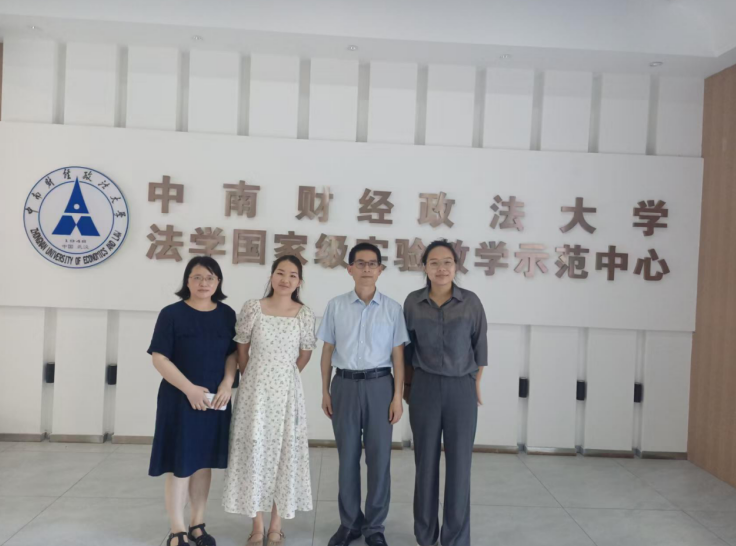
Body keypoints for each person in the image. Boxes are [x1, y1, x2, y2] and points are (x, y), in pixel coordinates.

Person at [318, 242, 410, 546]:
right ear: (350, 269)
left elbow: (398, 357)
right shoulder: (336, 306)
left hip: (380, 386)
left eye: (372, 264)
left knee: (379, 459)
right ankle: (349, 524)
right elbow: (327, 352)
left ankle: (374, 527)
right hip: (343, 385)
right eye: (360, 263)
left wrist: (397, 396)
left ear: (380, 270)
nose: (366, 269)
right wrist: (325, 391)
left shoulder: (393, 309)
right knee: (347, 458)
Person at [223, 255, 317, 546]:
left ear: (299, 281)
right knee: (255, 453)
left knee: (284, 455)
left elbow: (304, 354)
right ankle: (257, 525)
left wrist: (283, 377)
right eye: (280, 273)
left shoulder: (304, 313)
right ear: (271, 276)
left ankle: (276, 525)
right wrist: (254, 377)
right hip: (255, 393)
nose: (285, 279)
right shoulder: (254, 307)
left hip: (287, 393)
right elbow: (242, 350)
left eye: (292, 275)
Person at [148, 256, 238, 546]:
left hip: (214, 401)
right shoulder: (171, 314)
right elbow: (159, 358)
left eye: (210, 278)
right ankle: (177, 531)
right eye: (197, 277)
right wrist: (189, 389)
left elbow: (232, 354)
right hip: (180, 399)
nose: (204, 283)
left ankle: (197, 524)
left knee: (203, 463)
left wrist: (227, 383)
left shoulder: (227, 314)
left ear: (218, 282)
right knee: (181, 464)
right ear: (187, 280)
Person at [403, 240, 487, 546]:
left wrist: (475, 385)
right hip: (424, 387)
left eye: (447, 262)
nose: (441, 268)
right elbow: (406, 350)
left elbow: (480, 348)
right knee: (425, 464)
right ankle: (426, 535)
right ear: (424, 267)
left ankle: (455, 538)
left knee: (460, 465)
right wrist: (407, 389)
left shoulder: (471, 302)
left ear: (456, 266)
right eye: (434, 262)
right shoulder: (413, 303)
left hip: (461, 389)